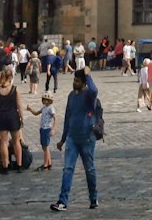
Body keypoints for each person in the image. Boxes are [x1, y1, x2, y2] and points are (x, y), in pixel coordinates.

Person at [49, 66, 101, 212]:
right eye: (74, 80)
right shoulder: (71, 95)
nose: (74, 83)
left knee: (89, 169)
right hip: (72, 137)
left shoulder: (89, 96)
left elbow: (94, 90)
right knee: (67, 169)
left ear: (84, 83)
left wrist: (88, 75)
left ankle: (93, 197)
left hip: (87, 137)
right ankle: (62, 201)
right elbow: (68, 117)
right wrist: (63, 139)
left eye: (77, 81)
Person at [0, 64, 25, 172]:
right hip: (13, 116)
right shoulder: (15, 89)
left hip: (1, 116)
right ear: (11, 77)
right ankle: (19, 165)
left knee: (3, 142)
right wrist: (22, 117)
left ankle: (5, 166)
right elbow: (19, 105)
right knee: (16, 141)